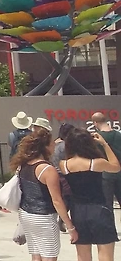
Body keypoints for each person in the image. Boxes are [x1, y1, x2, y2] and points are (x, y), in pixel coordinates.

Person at [11, 124, 75, 261]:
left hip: (26, 214)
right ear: (45, 146)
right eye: (51, 143)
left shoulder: (24, 165)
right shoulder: (47, 169)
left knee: (36, 255)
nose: (54, 144)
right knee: (49, 256)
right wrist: (70, 226)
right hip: (44, 217)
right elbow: (57, 200)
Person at [60, 126, 119, 261]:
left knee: (83, 256)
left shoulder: (64, 165)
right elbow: (116, 167)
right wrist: (104, 144)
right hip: (99, 209)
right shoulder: (96, 163)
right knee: (105, 255)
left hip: (78, 211)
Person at [93, 112, 121, 210]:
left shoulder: (96, 138)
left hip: (104, 174)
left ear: (95, 123)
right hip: (119, 173)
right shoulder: (119, 135)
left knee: (107, 206)